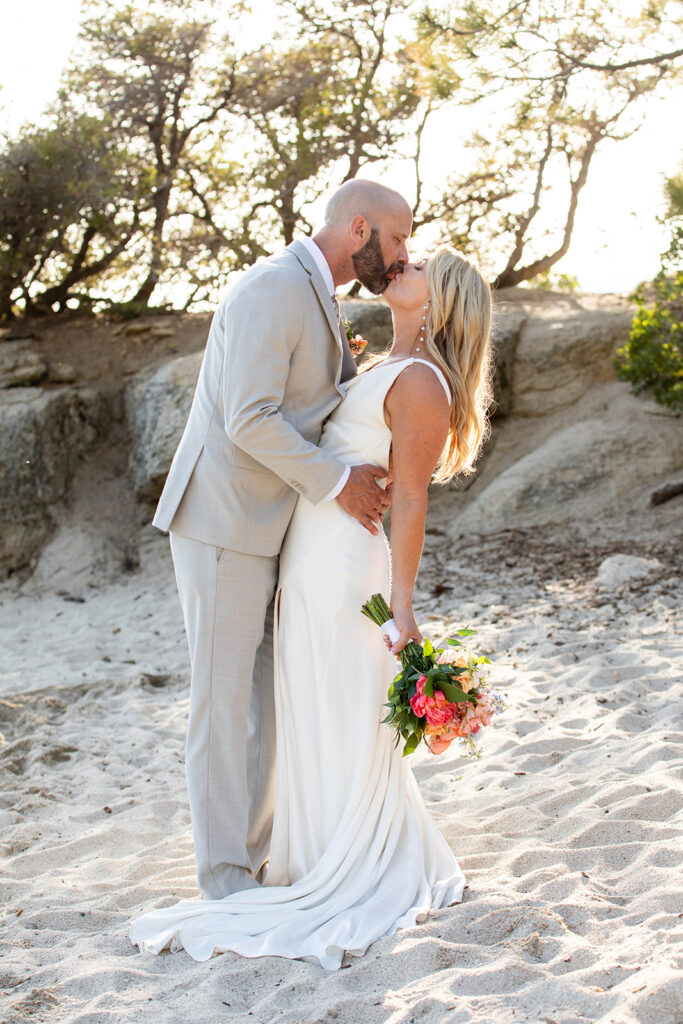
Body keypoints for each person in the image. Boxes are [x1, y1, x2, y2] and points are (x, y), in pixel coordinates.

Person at [131, 244, 494, 969]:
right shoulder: (385, 367)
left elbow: (412, 498)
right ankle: (306, 853)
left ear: (440, 300)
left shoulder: (422, 382)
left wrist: (401, 600)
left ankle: (344, 857)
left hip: (340, 564)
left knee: (336, 701)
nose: (401, 263)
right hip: (305, 554)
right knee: (306, 704)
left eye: (418, 265)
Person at [151, 179, 413, 901]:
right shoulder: (272, 286)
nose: (400, 255)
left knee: (268, 702)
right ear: (357, 227)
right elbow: (249, 417)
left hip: (275, 528)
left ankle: (256, 859)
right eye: (395, 239)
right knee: (222, 701)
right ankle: (224, 878)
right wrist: (338, 482)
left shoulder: (318, 294)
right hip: (223, 523)